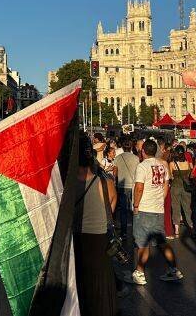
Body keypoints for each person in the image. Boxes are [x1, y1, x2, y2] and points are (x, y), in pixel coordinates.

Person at [73, 133, 118, 316]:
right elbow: (113, 200)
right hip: (100, 238)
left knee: (80, 281)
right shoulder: (103, 180)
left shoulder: (68, 186)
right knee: (100, 283)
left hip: (77, 238)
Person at [132, 139, 184, 285]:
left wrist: (136, 205)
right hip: (158, 208)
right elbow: (167, 184)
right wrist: (161, 199)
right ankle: (174, 269)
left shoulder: (142, 166)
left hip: (144, 208)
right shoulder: (162, 165)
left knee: (142, 243)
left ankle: (140, 272)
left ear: (143, 151)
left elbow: (139, 188)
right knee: (161, 242)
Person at [113, 137, 140, 238]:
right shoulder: (136, 158)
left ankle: (123, 232)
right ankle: (135, 232)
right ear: (131, 147)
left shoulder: (118, 158)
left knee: (123, 210)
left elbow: (115, 173)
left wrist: (114, 183)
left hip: (121, 186)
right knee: (133, 209)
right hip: (133, 186)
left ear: (123, 147)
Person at [169, 145, 193, 238]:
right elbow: (190, 173)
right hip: (186, 188)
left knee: (176, 207)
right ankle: (190, 226)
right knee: (187, 207)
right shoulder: (187, 163)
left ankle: (176, 230)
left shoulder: (172, 164)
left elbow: (171, 176)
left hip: (175, 187)